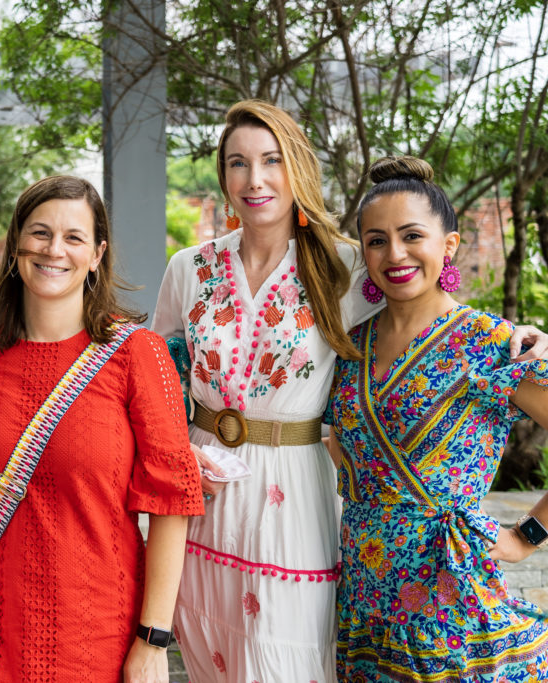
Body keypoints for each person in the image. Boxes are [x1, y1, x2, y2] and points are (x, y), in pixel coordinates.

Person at [151, 100, 548, 682]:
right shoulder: (190, 268)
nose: (254, 179)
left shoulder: (344, 269)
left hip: (326, 522)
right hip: (227, 509)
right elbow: (159, 378)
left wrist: (525, 342)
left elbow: (427, 303)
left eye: (273, 160)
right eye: (238, 163)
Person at [0, 175, 204, 682]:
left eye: (73, 237)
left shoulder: (139, 355)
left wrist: (154, 639)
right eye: (40, 233)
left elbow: (173, 503)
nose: (54, 250)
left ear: (96, 254)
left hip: (97, 633)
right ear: (16, 244)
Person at [325, 155, 548, 681]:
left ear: (447, 245)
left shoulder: (492, 344)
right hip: (363, 595)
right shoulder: (350, 347)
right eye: (377, 240)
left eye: (411, 235)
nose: (394, 254)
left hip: (449, 594)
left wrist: (528, 535)